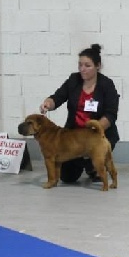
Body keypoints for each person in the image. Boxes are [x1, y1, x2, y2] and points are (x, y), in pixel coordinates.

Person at [39, 43, 119, 184]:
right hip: (73, 138)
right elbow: (58, 97)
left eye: (87, 66)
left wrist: (95, 131)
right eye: (80, 65)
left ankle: (92, 167)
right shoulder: (73, 80)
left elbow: (111, 114)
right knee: (67, 177)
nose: (82, 69)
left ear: (98, 66)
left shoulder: (107, 85)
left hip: (98, 134)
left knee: (96, 166)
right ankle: (85, 163)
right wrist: (49, 103)